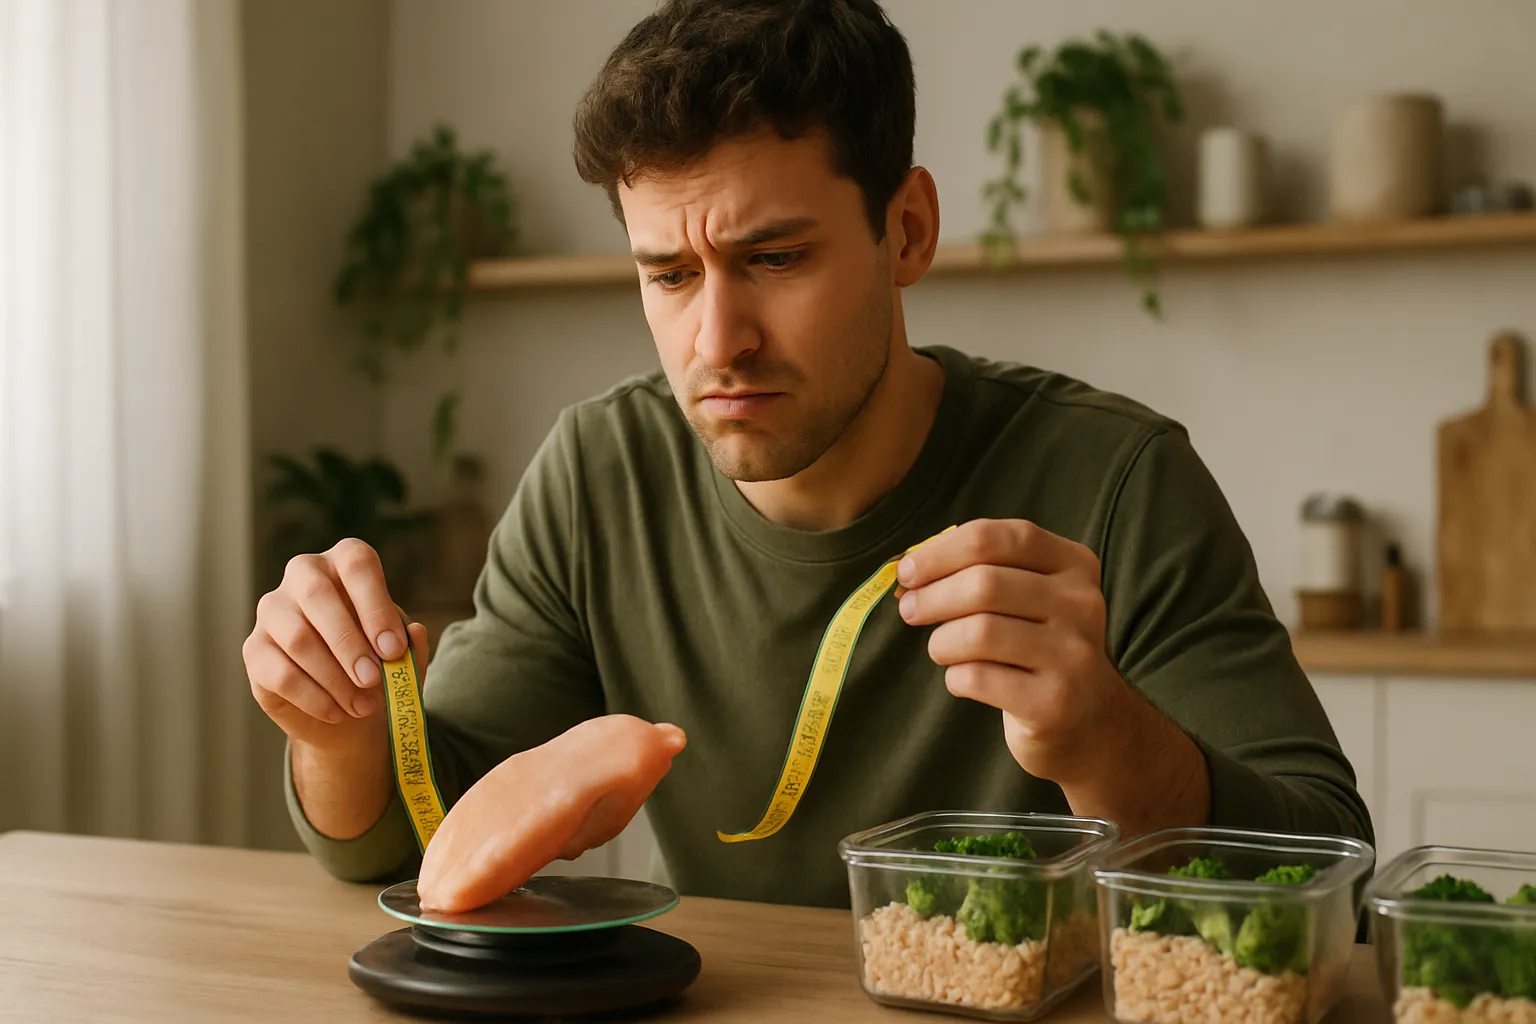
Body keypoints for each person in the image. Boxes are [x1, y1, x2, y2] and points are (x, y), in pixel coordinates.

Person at [243, 0, 1371, 909]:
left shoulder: (1117, 479)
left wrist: (1108, 741)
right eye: (668, 275)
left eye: (774, 259)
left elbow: (1336, 873)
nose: (716, 340)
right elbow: (414, 842)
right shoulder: (598, 473)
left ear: (907, 231)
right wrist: (337, 733)